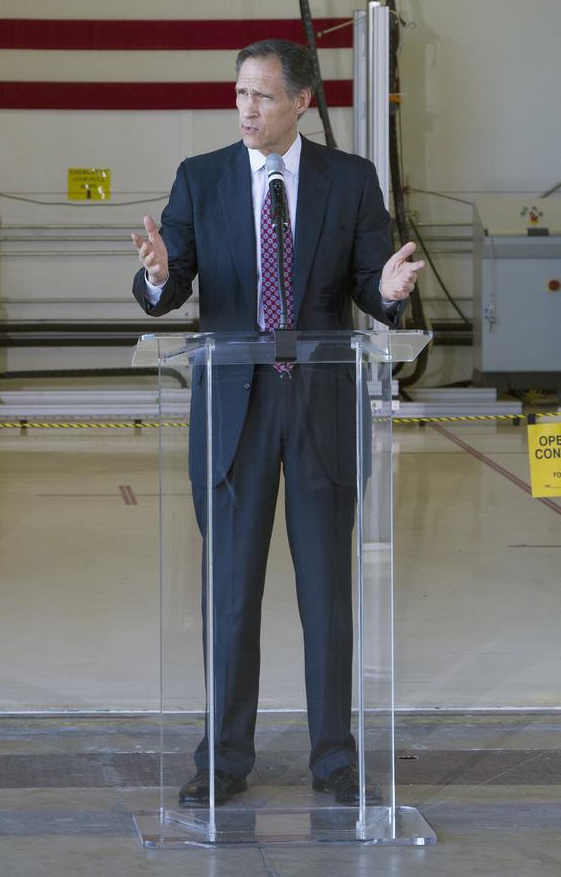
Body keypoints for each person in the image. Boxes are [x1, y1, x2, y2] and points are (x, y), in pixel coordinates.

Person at [131, 39, 423, 808]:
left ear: (300, 101)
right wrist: (157, 275)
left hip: (322, 403)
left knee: (327, 593)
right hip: (233, 410)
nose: (245, 110)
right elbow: (170, 282)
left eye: (261, 96)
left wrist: (389, 290)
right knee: (230, 594)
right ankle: (222, 760)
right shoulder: (201, 179)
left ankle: (335, 761)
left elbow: (371, 283)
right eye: (238, 95)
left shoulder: (349, 181)